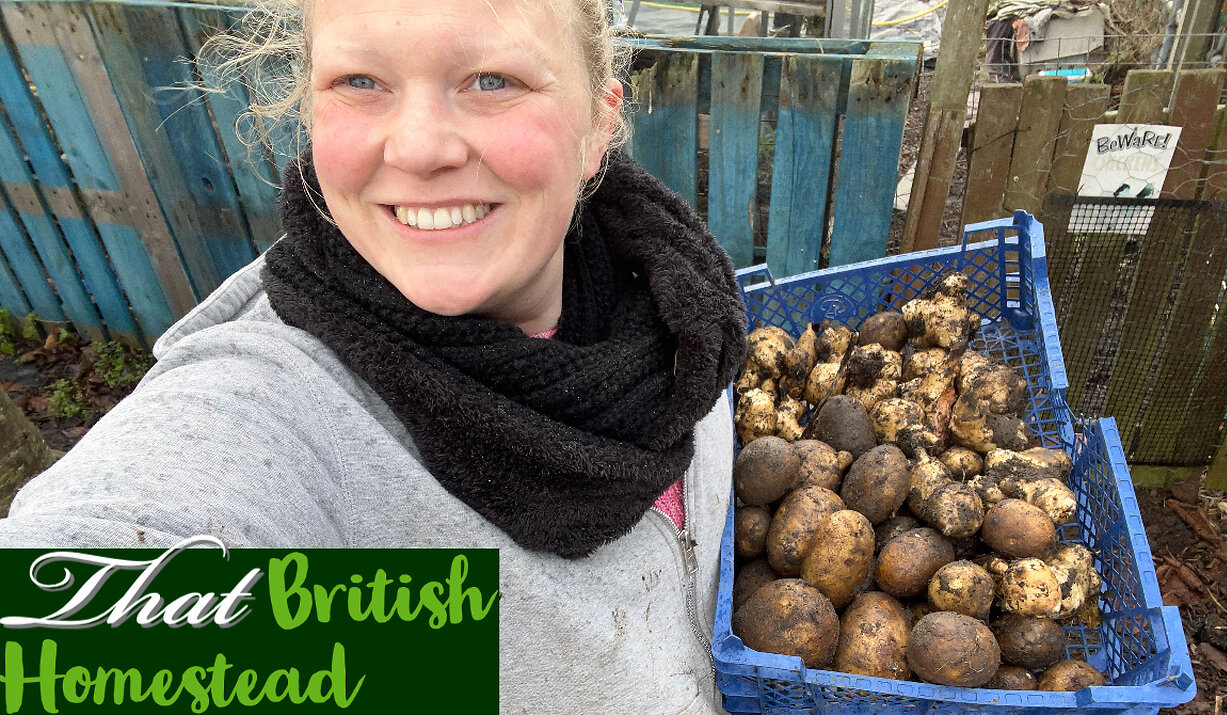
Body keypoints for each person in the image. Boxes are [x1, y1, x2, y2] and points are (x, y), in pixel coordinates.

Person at [0, 0, 747, 711]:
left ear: (596, 124)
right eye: (361, 82)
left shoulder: (676, 316)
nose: (420, 148)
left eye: (492, 80)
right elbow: (54, 641)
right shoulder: (282, 410)